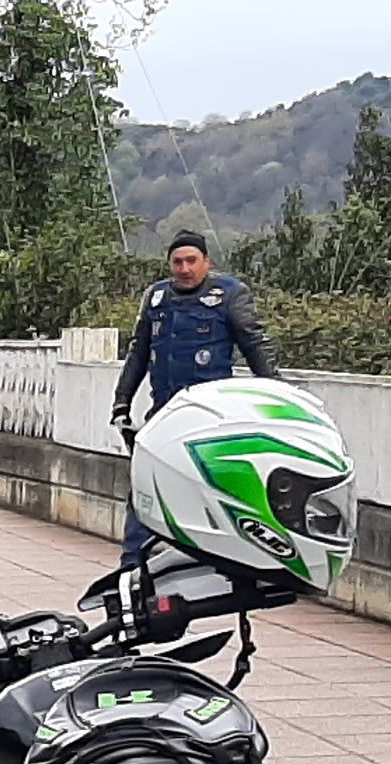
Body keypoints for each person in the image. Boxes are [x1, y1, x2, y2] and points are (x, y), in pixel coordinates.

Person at [112, 229, 277, 566]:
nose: (184, 269)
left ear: (206, 262)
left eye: (191, 261)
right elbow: (138, 352)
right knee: (145, 486)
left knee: (210, 492)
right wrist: (121, 401)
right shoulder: (156, 297)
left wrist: (276, 396)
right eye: (178, 262)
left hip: (209, 417)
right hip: (164, 414)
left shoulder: (229, 295)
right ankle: (132, 564)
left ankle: (218, 565)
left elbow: (255, 346)